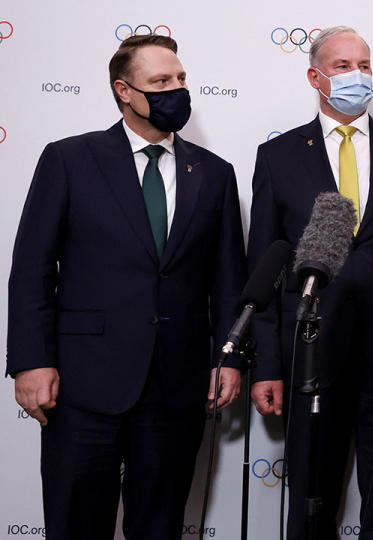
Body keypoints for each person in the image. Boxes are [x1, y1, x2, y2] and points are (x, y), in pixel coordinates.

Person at [6, 34, 246, 539]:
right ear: (124, 91)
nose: (176, 90)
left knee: (158, 526)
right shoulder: (70, 159)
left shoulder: (216, 174)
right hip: (82, 383)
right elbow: (31, 268)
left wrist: (230, 358)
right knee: (75, 524)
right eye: (160, 82)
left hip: (177, 386)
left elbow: (228, 281)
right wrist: (30, 360)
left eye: (180, 79)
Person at [247, 26, 373, 540]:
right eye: (343, 66)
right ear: (315, 76)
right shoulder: (278, 157)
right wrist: (267, 367)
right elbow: (266, 266)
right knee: (309, 495)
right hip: (309, 353)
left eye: (364, 65)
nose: (357, 75)